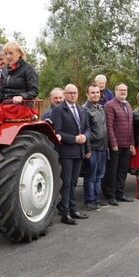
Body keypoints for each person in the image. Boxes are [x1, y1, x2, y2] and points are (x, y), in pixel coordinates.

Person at [50, 84, 91, 225]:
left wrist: (85, 137)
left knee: (74, 182)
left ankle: (73, 209)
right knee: (66, 184)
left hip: (79, 151)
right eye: (70, 93)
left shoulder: (81, 109)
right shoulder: (59, 109)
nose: (73, 95)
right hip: (66, 152)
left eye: (75, 93)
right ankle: (65, 212)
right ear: (65, 94)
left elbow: (87, 128)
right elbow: (57, 132)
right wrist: (74, 139)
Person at [103, 82, 135, 206]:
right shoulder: (110, 105)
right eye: (121, 90)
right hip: (115, 145)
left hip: (126, 144)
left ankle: (120, 193)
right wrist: (113, 143)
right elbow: (109, 126)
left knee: (122, 171)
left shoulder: (128, 105)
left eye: (125, 90)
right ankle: (111, 196)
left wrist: (132, 143)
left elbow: (130, 126)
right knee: (112, 171)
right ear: (115, 91)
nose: (123, 92)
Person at [82, 82, 108, 210]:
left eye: (97, 92)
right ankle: (89, 201)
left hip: (102, 148)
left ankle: (96, 200)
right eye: (93, 92)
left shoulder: (101, 108)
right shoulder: (84, 110)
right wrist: (87, 150)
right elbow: (85, 131)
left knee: (99, 176)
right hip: (92, 149)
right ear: (87, 94)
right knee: (90, 177)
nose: (96, 95)